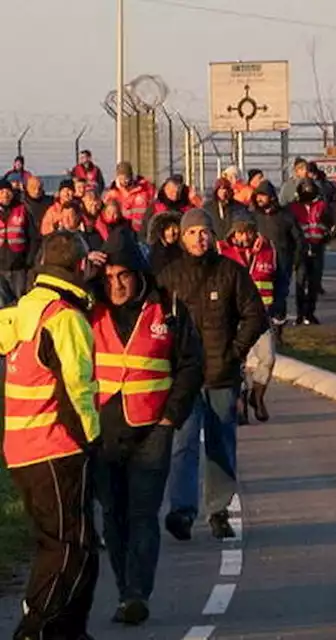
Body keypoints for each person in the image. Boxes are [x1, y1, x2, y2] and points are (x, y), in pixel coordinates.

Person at [91, 231, 203, 626]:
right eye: (110, 277)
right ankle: (125, 591)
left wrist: (172, 415)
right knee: (113, 515)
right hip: (104, 430)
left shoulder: (168, 308)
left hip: (153, 429)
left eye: (124, 276)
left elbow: (191, 363)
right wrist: (90, 272)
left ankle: (138, 593)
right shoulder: (90, 307)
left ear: (139, 274)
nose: (116, 285)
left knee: (142, 514)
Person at [0, 231, 102, 639]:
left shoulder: (25, 310)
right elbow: (78, 390)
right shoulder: (65, 318)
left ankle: (69, 631)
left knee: (63, 543)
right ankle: (36, 630)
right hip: (55, 449)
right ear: (79, 267)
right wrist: (93, 441)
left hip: (21, 449)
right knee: (68, 547)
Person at [158, 209, 269, 541]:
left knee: (221, 445)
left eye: (204, 232)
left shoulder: (231, 273)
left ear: (213, 236)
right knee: (184, 444)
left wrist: (235, 352)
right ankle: (181, 512)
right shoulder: (169, 277)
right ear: (181, 236)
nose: (198, 238)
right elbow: (155, 321)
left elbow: (255, 315)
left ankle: (219, 510)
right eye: (191, 233)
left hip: (222, 374)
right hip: (184, 379)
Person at [218, 212, 279, 423]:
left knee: (268, 357)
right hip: (233, 316)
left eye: (249, 232)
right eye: (240, 233)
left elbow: (280, 279)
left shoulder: (268, 249)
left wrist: (279, 308)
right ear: (233, 233)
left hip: (261, 315)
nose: (245, 237)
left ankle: (257, 395)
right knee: (238, 361)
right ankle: (240, 403)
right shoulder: (222, 252)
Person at [248, 180, 300, 324]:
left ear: (271, 197)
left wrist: (296, 260)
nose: (259, 199)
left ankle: (278, 327)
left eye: (263, 195)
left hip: (282, 261)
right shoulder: (253, 216)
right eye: (257, 195)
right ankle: (262, 323)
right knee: (261, 295)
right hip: (261, 264)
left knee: (280, 294)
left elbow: (298, 239)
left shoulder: (285, 216)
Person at [290, 178, 335, 325]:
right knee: (300, 281)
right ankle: (300, 313)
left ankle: (310, 313)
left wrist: (326, 237)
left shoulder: (322, 206)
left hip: (317, 247)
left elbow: (332, 223)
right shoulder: (294, 208)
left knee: (314, 282)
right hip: (300, 248)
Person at [0, 181, 38, 295]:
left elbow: (34, 237)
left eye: (8, 191)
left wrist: (29, 261)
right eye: (1, 192)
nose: (5, 195)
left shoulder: (23, 210)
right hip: (0, 268)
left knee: (20, 300)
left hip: (19, 268)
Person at [105, 162, 156, 235]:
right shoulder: (113, 193)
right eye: (121, 178)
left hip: (144, 230)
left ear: (131, 176)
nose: (123, 181)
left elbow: (155, 204)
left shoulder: (145, 187)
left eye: (126, 178)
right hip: (124, 231)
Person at [148, 209, 183, 273]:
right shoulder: (155, 254)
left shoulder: (184, 251)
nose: (171, 232)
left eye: (175, 228)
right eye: (167, 228)